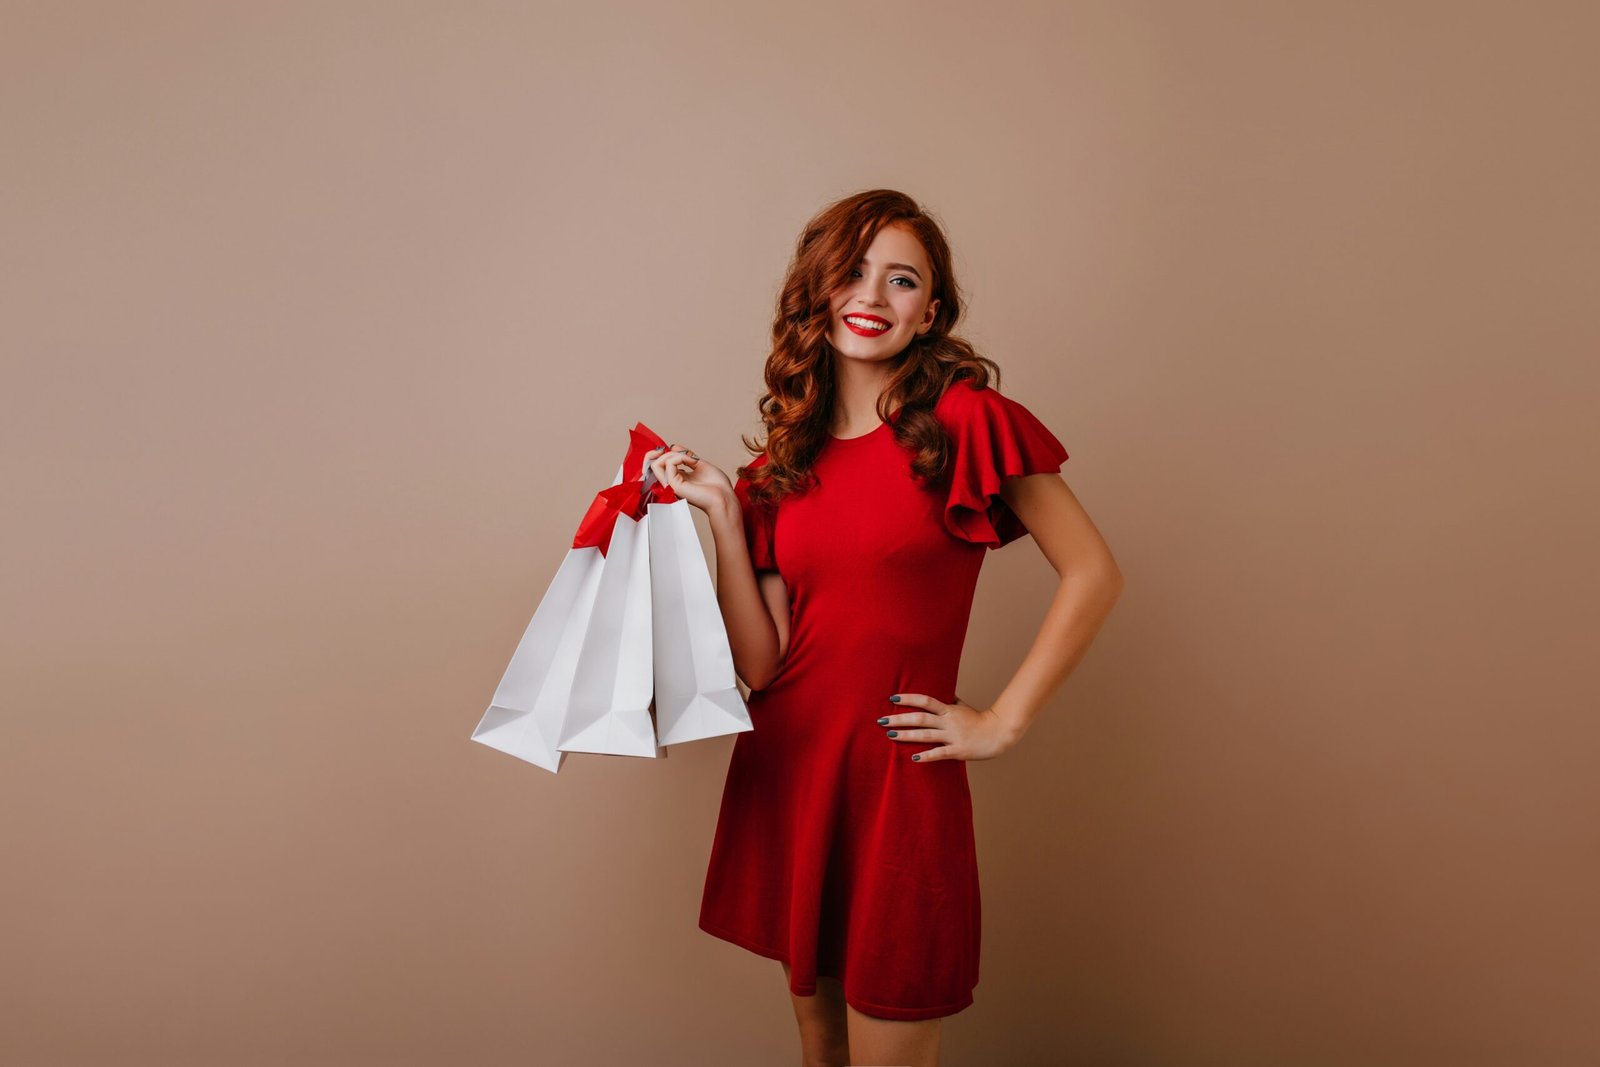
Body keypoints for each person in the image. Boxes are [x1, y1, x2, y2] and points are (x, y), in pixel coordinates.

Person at [644, 189, 1123, 1067]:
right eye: (853, 272)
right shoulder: (781, 463)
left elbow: (1094, 571)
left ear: (929, 312)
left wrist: (1001, 721)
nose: (872, 295)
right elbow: (764, 665)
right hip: (794, 776)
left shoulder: (969, 421)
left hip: (898, 793)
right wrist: (723, 515)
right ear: (818, 292)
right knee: (820, 1048)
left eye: (901, 279)